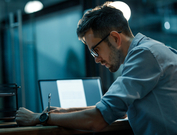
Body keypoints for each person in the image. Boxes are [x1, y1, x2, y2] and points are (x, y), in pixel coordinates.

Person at [16, 1, 177, 135]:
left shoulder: (144, 54)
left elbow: (98, 119)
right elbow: (114, 108)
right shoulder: (150, 50)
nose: (97, 60)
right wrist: (63, 111)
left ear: (115, 38)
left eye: (96, 50)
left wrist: (38, 118)